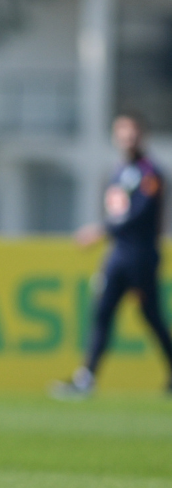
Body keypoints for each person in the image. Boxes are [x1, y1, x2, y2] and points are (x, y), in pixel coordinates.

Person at [53, 113, 172, 399]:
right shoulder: (118, 171)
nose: (128, 139)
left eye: (132, 133)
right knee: (103, 312)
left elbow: (140, 214)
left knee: (152, 316)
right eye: (122, 133)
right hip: (118, 254)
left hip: (141, 255)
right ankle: (88, 377)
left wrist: (100, 230)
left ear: (141, 135)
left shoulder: (149, 172)